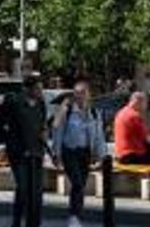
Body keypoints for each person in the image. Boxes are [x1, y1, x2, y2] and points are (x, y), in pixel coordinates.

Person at [50, 80, 106, 227]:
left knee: (81, 185)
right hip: (70, 152)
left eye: (83, 93)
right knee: (77, 182)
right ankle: (74, 216)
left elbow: (99, 135)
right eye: (77, 93)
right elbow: (57, 131)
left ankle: (76, 216)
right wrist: (56, 153)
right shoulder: (67, 111)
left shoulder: (94, 113)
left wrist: (100, 155)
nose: (80, 96)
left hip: (85, 153)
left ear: (89, 95)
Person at [0, 76, 47, 227]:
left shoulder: (40, 104)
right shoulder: (14, 101)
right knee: (23, 189)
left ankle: (34, 223)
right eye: (38, 89)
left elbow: (42, 123)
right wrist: (5, 137)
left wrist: (44, 132)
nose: (40, 92)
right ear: (28, 89)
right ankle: (17, 222)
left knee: (36, 192)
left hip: (36, 151)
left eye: (41, 89)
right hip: (18, 153)